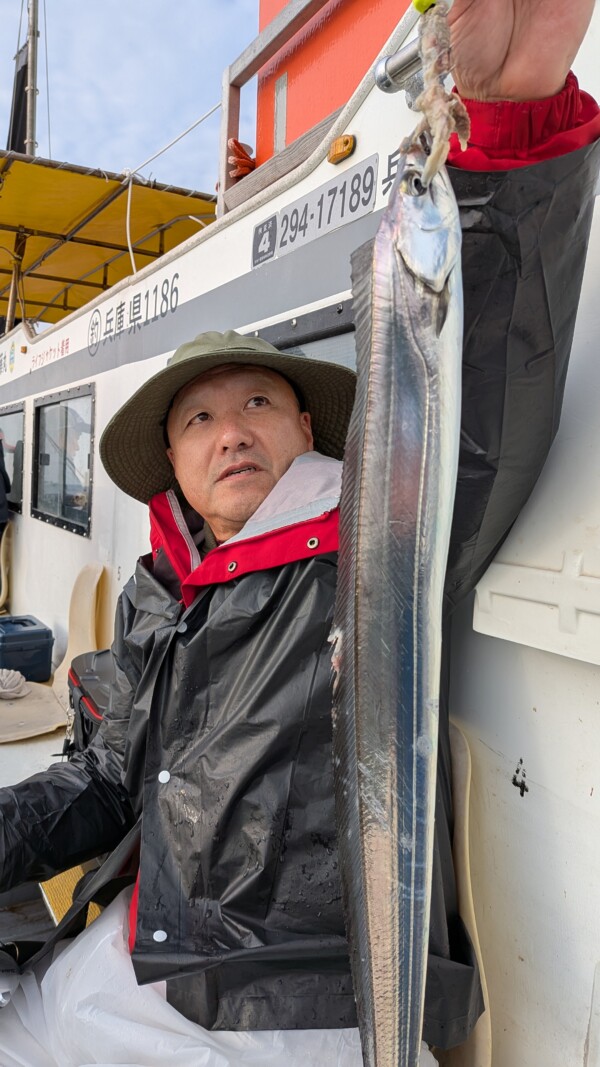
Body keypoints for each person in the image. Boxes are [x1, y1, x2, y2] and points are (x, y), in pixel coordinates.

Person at [0, 3, 599, 1065]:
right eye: (196, 417)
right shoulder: (158, 587)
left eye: (257, 405)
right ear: (173, 469)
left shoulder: (373, 530)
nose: (229, 430)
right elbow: (101, 776)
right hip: (145, 955)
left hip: (303, 1002)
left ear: (309, 428)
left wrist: (506, 128)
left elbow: (482, 398)